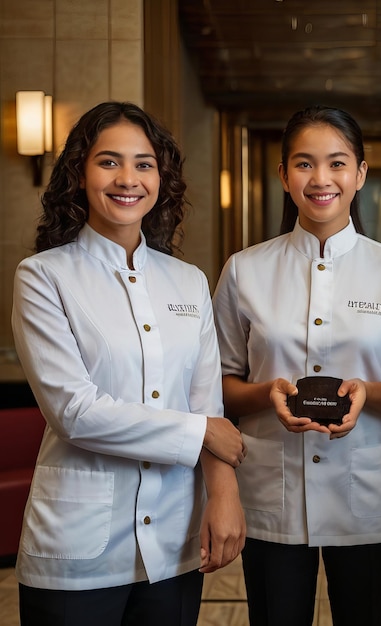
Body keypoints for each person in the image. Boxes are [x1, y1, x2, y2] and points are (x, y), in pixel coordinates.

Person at [11, 101, 247, 626]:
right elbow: (74, 411)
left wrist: (225, 494)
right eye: (109, 161)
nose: (128, 179)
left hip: (174, 539)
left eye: (144, 164)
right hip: (79, 547)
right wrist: (200, 431)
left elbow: (205, 402)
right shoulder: (43, 277)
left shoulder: (187, 282)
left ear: (161, 178)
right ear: (79, 173)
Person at [212, 105, 381, 626]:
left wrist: (367, 394)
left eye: (337, 163)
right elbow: (217, 384)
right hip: (270, 493)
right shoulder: (244, 270)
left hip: (365, 492)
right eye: (304, 164)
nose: (321, 179)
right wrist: (266, 394)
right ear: (284, 175)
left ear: (361, 173)